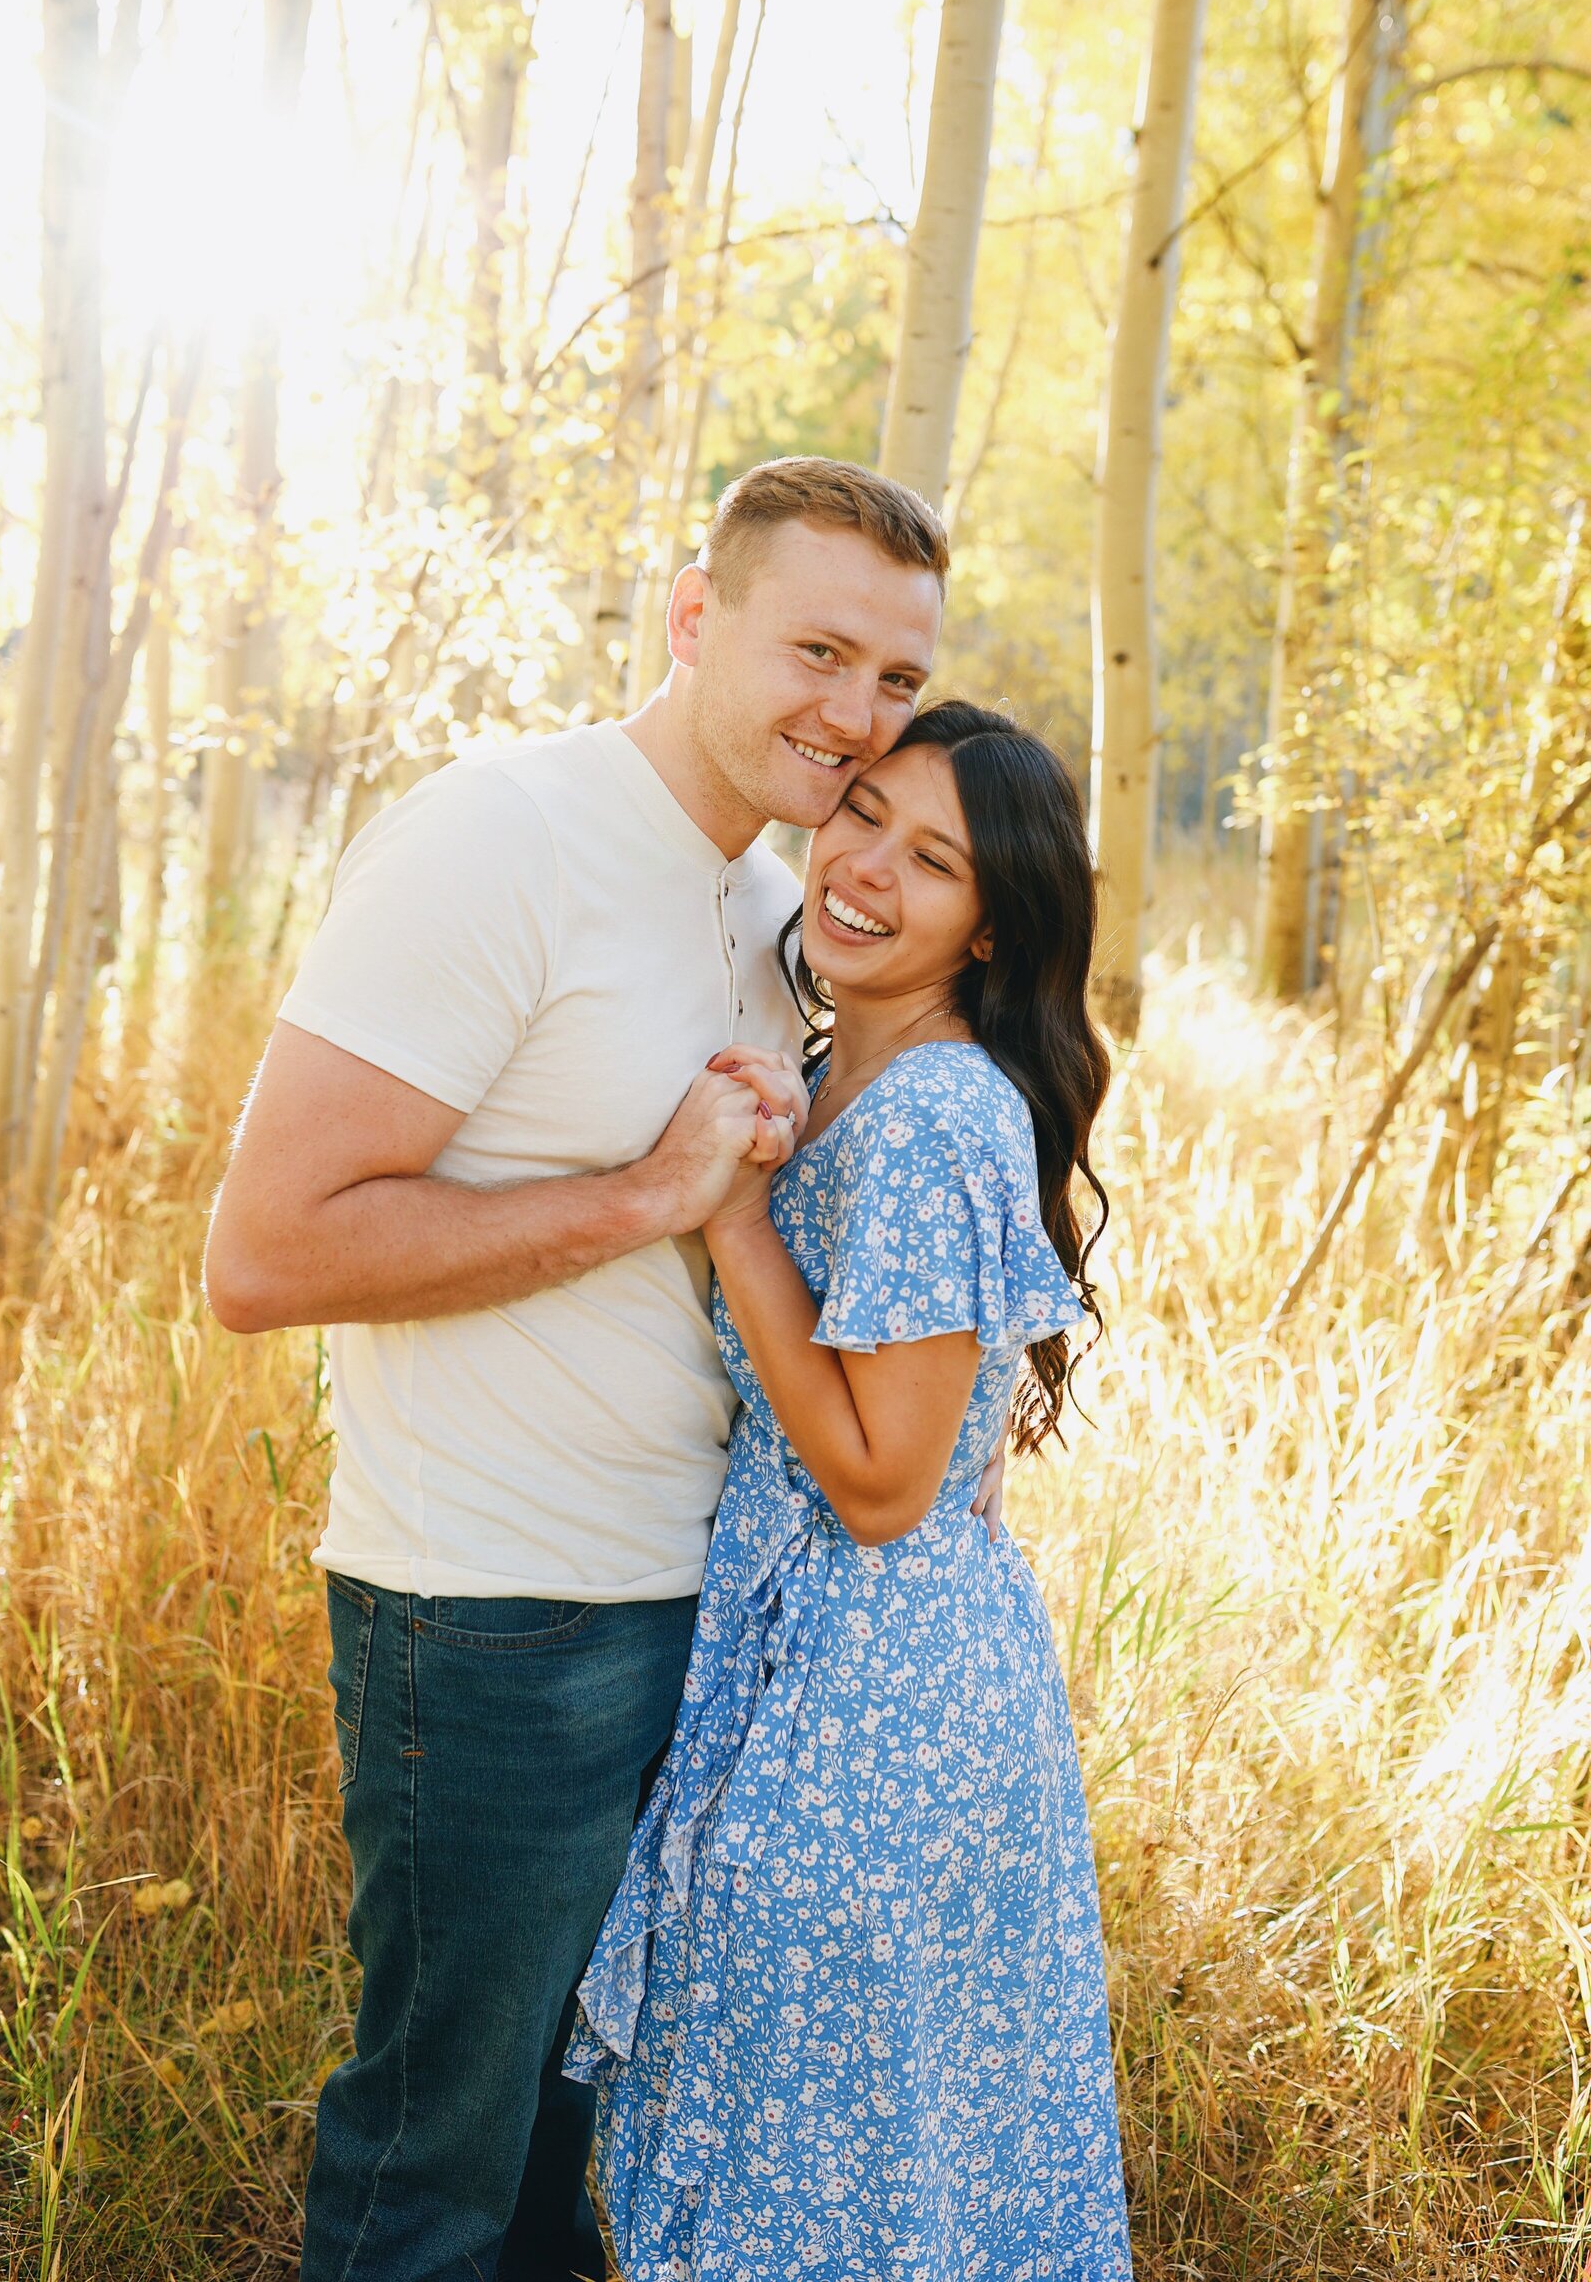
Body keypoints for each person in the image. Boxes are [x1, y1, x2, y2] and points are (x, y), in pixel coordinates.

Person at [202, 459, 967, 2282]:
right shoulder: (503, 836)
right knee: (440, 2146)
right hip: (493, 1619)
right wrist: (640, 1197)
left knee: (573, 2140)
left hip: (688, 1611)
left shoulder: (763, 894)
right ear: (695, 619)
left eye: (896, 683)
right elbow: (265, 1252)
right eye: (818, 651)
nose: (853, 717)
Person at [566, 700, 1134, 2278]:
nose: (867, 866)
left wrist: (728, 1218)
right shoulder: (853, 1080)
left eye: (932, 856)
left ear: (991, 924)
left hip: (876, 1703)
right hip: (840, 1667)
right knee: (866, 2155)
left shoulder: (941, 1115)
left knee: (815, 2158)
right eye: (864, 810)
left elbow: (885, 1484)